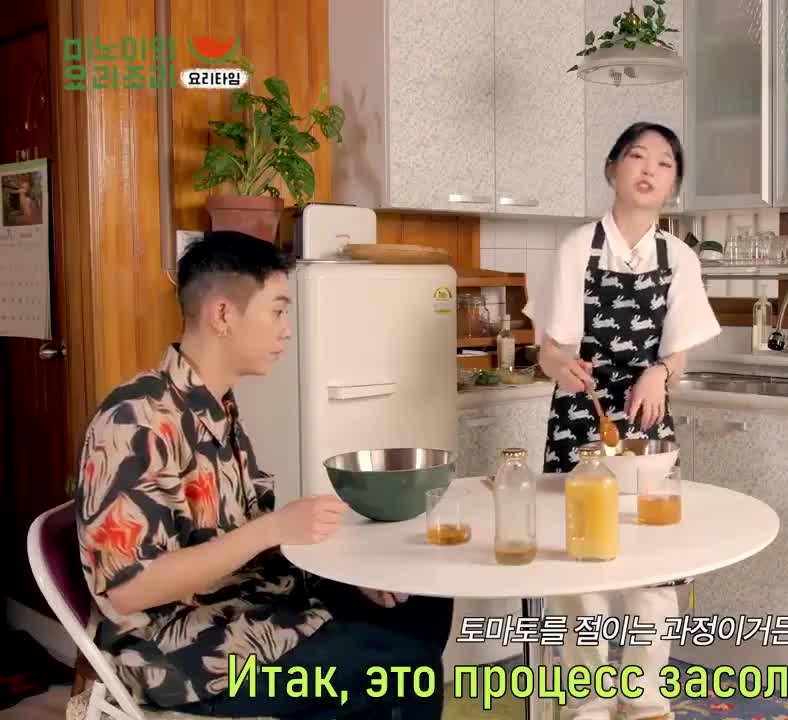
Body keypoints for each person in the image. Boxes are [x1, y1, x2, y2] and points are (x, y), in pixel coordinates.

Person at [74, 231, 453, 720]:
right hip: (180, 653)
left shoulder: (217, 407)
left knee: (421, 602)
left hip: (251, 603)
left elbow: (248, 544)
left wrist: (352, 577)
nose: (287, 330)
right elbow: (130, 588)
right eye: (277, 311)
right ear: (223, 315)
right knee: (404, 666)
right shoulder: (135, 419)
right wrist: (272, 528)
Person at [524, 122, 720, 720]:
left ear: (674, 184)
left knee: (653, 563)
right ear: (612, 169)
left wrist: (661, 372)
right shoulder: (576, 249)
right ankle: (585, 702)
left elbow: (679, 351)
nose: (649, 169)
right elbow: (549, 349)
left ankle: (645, 699)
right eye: (637, 156)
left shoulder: (678, 258)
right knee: (580, 564)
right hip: (580, 414)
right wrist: (559, 366)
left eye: (664, 163)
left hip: (645, 418)